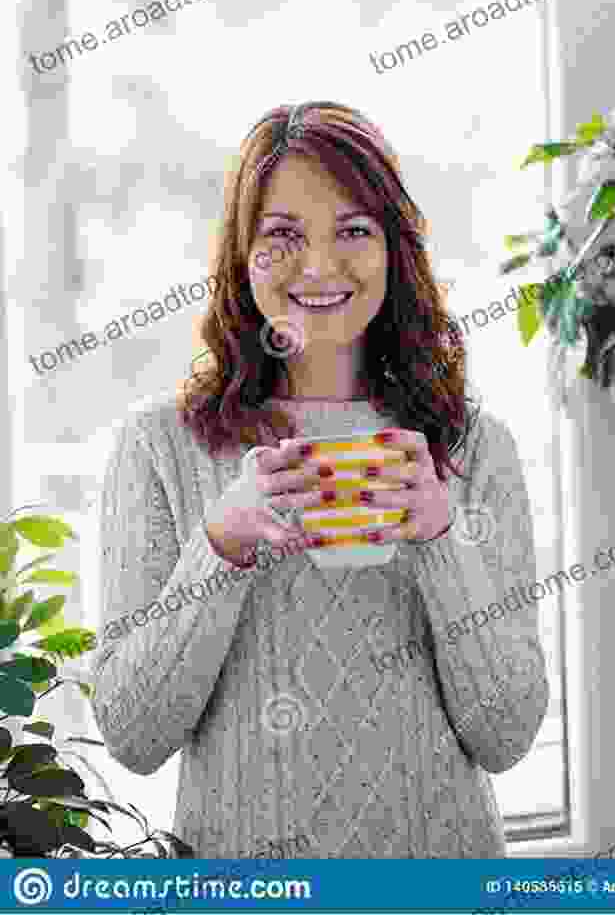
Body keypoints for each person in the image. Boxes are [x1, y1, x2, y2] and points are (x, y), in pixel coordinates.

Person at [91, 100, 549, 859]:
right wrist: (220, 549)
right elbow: (133, 736)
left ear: (395, 248)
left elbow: (505, 736)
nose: (320, 266)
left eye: (354, 230)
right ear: (242, 254)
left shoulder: (473, 444)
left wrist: (440, 539)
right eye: (283, 236)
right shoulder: (157, 447)